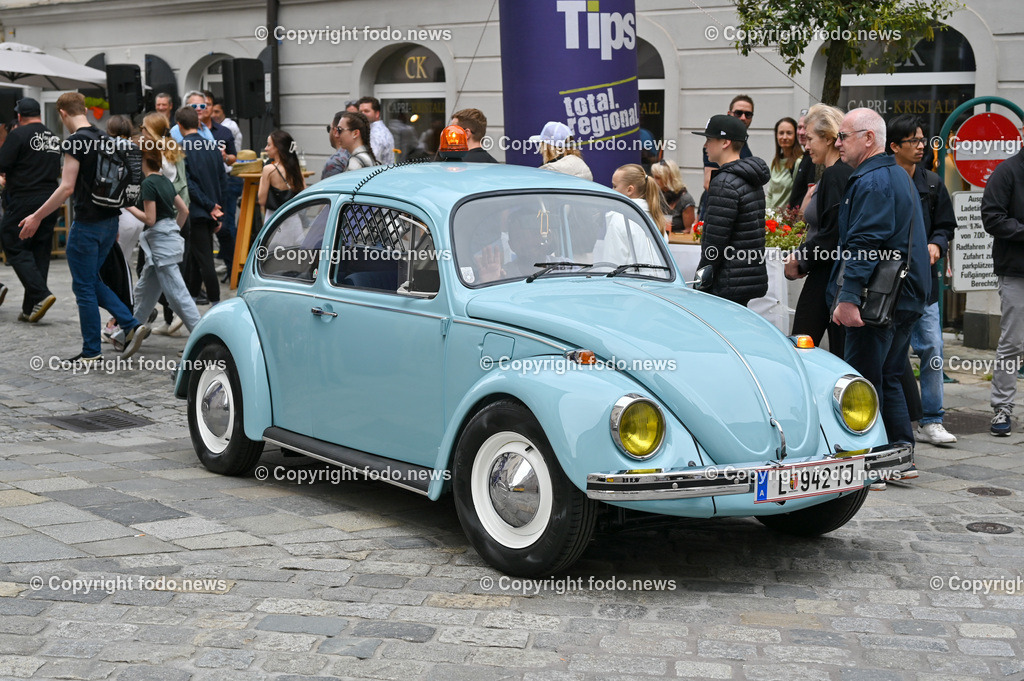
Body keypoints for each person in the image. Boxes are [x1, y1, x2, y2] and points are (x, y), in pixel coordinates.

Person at [828, 108, 930, 489]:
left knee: (863, 379)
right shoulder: (894, 175)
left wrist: (849, 297)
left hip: (877, 301)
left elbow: (865, 243)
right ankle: (899, 459)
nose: (838, 142)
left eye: (844, 135)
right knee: (888, 375)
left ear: (868, 138)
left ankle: (869, 463)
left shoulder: (874, 182)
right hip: (903, 297)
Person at [19, 92, 150, 363]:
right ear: (86, 109)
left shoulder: (75, 142)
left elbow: (66, 187)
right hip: (109, 221)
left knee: (84, 287)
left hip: (88, 225)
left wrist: (36, 216)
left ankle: (92, 350)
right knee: (91, 282)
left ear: (63, 113)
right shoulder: (105, 138)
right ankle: (131, 324)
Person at [887, 114, 957, 446]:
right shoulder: (882, 181)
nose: (921, 146)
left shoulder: (932, 183)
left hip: (923, 285)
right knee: (891, 356)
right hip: (887, 286)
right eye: (913, 140)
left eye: (922, 139)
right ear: (894, 146)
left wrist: (936, 243)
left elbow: (946, 226)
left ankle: (932, 419)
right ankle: (901, 421)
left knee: (932, 348)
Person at [785, 104, 852, 357]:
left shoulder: (836, 175)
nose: (807, 146)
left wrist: (800, 260)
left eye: (811, 138)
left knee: (800, 349)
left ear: (827, 138)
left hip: (827, 274)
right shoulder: (835, 174)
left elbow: (831, 232)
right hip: (832, 274)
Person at [692, 114, 769, 306]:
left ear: (725, 142)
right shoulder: (749, 178)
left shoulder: (724, 181)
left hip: (726, 281)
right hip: (745, 278)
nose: (705, 146)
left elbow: (715, 242)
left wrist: (701, 279)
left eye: (709, 140)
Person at [124, 149, 201, 333]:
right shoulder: (165, 180)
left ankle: (201, 333)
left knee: (176, 293)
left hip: (159, 241)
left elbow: (150, 219)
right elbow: (184, 210)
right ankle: (127, 333)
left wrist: (128, 207)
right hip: (166, 240)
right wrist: (173, 230)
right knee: (145, 292)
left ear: (144, 160)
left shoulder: (149, 183)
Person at [0, 97, 61, 322]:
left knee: (12, 242)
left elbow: (2, 164)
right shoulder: (53, 136)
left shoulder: (18, 135)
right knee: (40, 250)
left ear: (18, 116)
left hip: (25, 198)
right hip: (51, 199)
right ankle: (31, 307)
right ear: (39, 114)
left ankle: (41, 294)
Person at [982, 136, 1024, 436]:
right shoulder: (1007, 172)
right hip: (1016, 271)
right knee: (1013, 343)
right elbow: (992, 218)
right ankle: (1002, 408)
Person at [141, 112, 190, 335]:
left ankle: (183, 316)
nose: (141, 131)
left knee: (169, 281)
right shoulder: (173, 149)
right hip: (172, 216)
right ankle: (129, 328)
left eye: (143, 128)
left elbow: (161, 185)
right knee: (150, 278)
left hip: (161, 217)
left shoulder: (153, 153)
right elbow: (181, 184)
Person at [177, 105, 225, 306]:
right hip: (210, 210)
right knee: (196, 259)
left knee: (204, 261)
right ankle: (191, 299)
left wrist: (210, 206)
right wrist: (218, 210)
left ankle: (215, 302)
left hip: (197, 212)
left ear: (179, 125)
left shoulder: (182, 149)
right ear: (198, 123)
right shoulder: (212, 146)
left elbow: (189, 185)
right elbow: (221, 180)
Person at [699, 95, 755, 217]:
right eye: (738, 113)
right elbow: (709, 183)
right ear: (729, 114)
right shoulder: (718, 144)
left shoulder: (742, 143)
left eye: (748, 114)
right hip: (718, 212)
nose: (743, 118)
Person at [259, 130, 306, 221]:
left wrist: (262, 179)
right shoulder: (295, 167)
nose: (266, 148)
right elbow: (304, 192)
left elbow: (262, 200)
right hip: (293, 219)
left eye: (269, 145)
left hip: (274, 220)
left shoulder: (269, 169)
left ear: (278, 147)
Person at [765, 117, 802, 209]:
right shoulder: (775, 162)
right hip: (773, 219)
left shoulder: (799, 162)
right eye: (781, 133)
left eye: (789, 133)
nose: (784, 137)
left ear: (795, 136)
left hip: (787, 219)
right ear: (776, 136)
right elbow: (770, 194)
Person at [650, 159, 695, 233]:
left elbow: (689, 230)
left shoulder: (685, 199)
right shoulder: (656, 195)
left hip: (677, 242)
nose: (654, 181)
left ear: (669, 179)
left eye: (658, 178)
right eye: (653, 177)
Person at [788, 108, 817, 211]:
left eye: (805, 128)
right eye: (799, 127)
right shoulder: (805, 156)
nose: (801, 132)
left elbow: (810, 193)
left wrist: (799, 220)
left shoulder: (813, 159)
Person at [356, 96, 395, 165]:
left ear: (377, 114)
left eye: (366, 111)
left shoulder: (375, 134)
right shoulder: (381, 130)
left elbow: (370, 161)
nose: (362, 114)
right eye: (360, 111)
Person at [322, 111, 351, 179]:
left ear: (335, 131)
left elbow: (327, 188)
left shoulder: (336, 162)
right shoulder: (361, 155)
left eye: (329, 128)